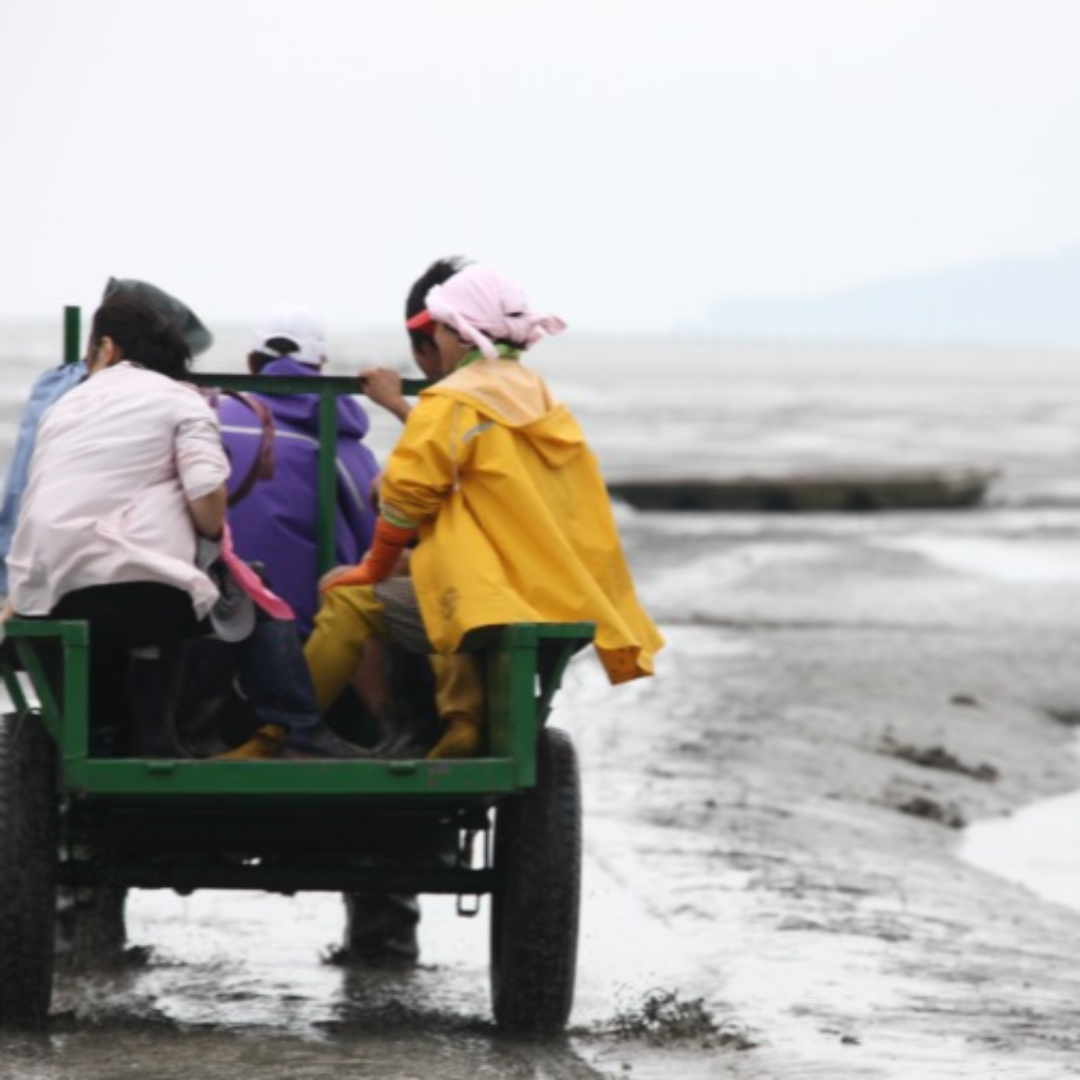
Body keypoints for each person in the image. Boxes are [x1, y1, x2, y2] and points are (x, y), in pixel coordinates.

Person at [306, 263, 664, 761]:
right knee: (436, 570)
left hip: (496, 593)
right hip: (562, 588)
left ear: (458, 333)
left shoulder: (452, 399)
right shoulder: (540, 397)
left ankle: (284, 732)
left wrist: (372, 566)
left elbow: (406, 499)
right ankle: (460, 724)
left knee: (353, 596)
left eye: (438, 327)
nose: (435, 339)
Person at [6, 290, 363, 760]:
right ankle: (297, 729)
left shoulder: (61, 408)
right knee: (239, 589)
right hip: (145, 596)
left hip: (48, 593)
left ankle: (108, 737)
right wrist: (211, 536)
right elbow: (207, 491)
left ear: (107, 348)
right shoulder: (183, 401)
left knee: (151, 592)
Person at [0, 277, 214, 597]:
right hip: (100, 574)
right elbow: (206, 495)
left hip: (21, 567)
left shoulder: (55, 384)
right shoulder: (160, 397)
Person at [219, 304, 379, 636]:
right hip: (303, 630)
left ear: (251, 362)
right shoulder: (342, 445)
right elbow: (374, 542)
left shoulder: (206, 420)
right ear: (320, 364)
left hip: (207, 620)